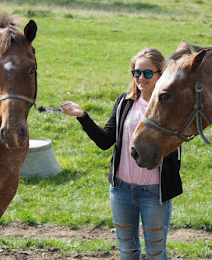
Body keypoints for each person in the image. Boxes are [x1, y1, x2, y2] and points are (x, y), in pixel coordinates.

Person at [60, 48, 182, 260]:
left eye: (147, 73)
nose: (140, 78)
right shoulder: (124, 103)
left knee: (155, 253)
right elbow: (105, 141)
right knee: (127, 252)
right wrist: (82, 116)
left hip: (155, 193)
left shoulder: (169, 108)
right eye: (136, 73)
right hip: (121, 192)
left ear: (160, 74)